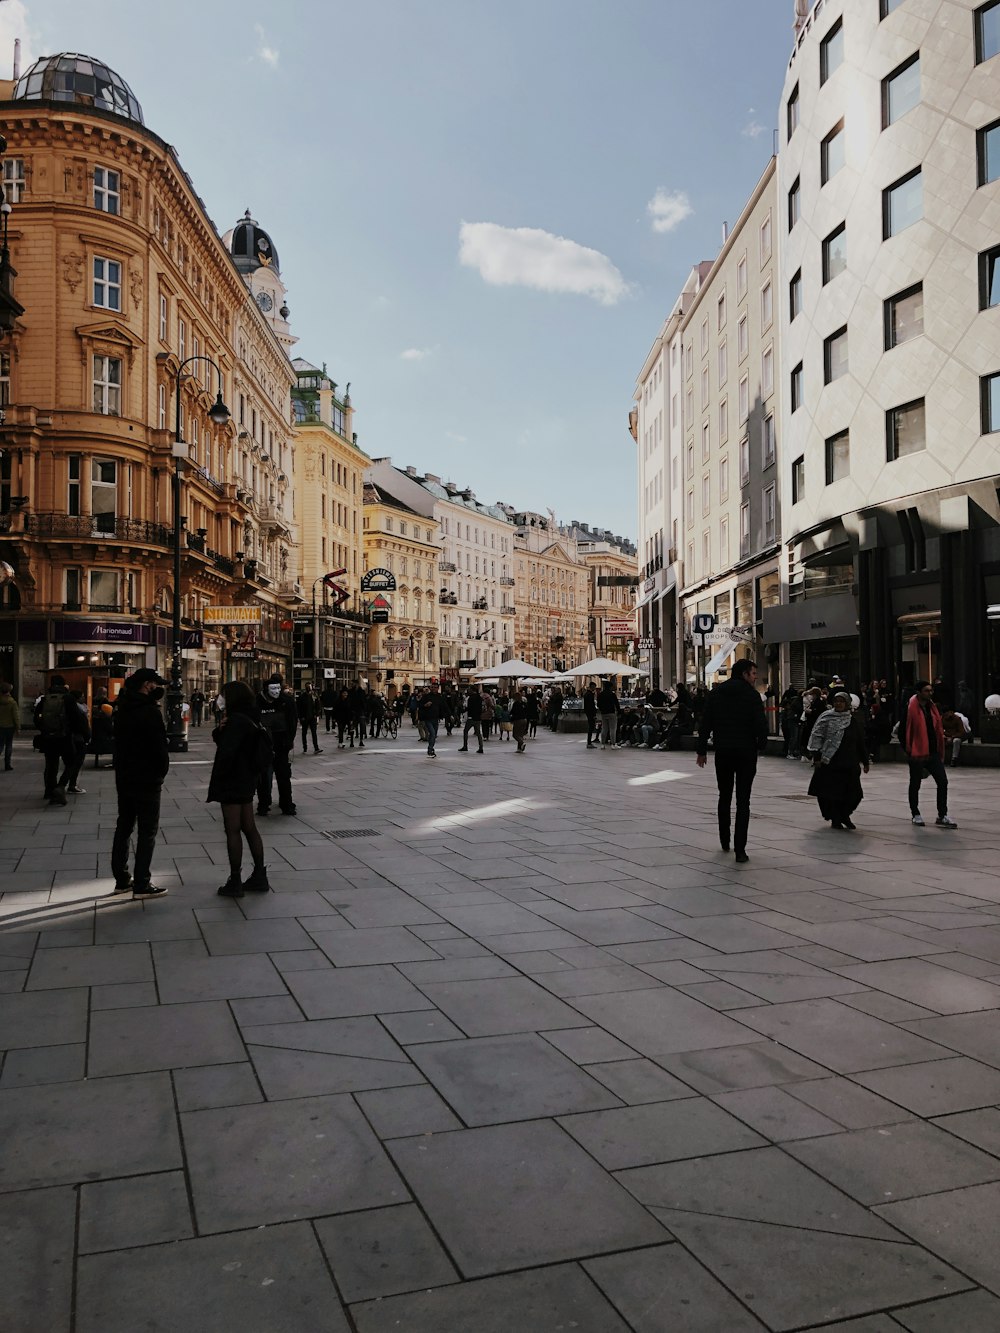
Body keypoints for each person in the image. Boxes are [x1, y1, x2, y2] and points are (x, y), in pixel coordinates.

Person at [696, 658, 767, 864]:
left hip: (724, 751)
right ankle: (740, 849)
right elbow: (760, 724)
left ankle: (724, 839)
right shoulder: (751, 695)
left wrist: (702, 750)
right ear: (744, 674)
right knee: (743, 799)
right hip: (746, 752)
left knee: (724, 795)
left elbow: (706, 722)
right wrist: (761, 744)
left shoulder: (716, 693)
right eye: (753, 674)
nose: (755, 678)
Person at [209, 680, 273, 898]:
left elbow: (227, 751)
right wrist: (220, 731)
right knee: (249, 827)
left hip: (233, 780)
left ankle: (235, 880)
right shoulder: (250, 716)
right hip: (247, 779)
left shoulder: (236, 720)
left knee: (232, 829)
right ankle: (259, 875)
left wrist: (219, 780)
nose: (221, 699)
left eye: (224, 695)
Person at [110, 668, 170, 897]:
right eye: (156, 684)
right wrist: (161, 772)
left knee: (124, 825)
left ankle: (122, 879)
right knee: (147, 831)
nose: (159, 688)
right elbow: (159, 747)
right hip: (147, 778)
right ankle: (142, 883)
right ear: (147, 685)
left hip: (125, 775)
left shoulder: (122, 707)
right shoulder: (149, 711)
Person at [806, 692, 870, 829]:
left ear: (847, 703)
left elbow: (859, 741)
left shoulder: (852, 720)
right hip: (831, 762)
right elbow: (817, 736)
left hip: (850, 763)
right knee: (833, 794)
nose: (839, 704)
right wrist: (816, 757)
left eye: (842, 701)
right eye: (836, 701)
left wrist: (865, 761)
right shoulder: (826, 717)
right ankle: (836, 818)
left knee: (854, 794)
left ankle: (845, 815)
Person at [904, 680, 957, 828]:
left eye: (931, 690)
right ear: (919, 692)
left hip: (932, 752)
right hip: (916, 753)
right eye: (927, 691)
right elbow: (904, 731)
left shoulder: (932, 708)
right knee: (915, 783)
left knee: (943, 782)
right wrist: (909, 750)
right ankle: (915, 813)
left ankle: (942, 815)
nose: (930, 693)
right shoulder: (910, 708)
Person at [34, 674, 90, 806]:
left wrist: (45, 730)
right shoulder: (68, 698)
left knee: (51, 766)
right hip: (65, 737)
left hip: (48, 738)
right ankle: (60, 787)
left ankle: (49, 791)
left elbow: (36, 719)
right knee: (71, 763)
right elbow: (78, 718)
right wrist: (85, 734)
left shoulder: (44, 699)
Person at [256, 674, 297, 816]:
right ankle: (264, 804)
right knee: (264, 777)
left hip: (281, 743)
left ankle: (286, 804)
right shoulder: (257, 702)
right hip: (264, 744)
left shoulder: (286, 701)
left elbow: (292, 722)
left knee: (283, 775)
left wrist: (289, 739)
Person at [64, 690, 91, 794]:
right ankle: (69, 785)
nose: (84, 698)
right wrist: (87, 736)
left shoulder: (68, 708)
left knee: (70, 763)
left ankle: (62, 785)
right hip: (78, 739)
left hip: (68, 738)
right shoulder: (78, 709)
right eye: (82, 696)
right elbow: (82, 725)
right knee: (76, 763)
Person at [91, 692, 115, 769]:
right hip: (103, 744)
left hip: (96, 742)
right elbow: (112, 731)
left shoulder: (97, 718)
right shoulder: (106, 720)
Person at [458, 684, 484, 753]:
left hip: (471, 717)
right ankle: (481, 747)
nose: (468, 690)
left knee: (465, 731)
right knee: (478, 733)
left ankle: (465, 746)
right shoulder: (479, 697)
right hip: (478, 717)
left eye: (469, 689)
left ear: (472, 690)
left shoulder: (471, 698)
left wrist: (463, 710)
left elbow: (470, 708)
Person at [417, 681, 441, 756]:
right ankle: (430, 749)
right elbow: (420, 705)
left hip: (436, 718)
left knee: (434, 735)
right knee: (432, 733)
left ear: (438, 688)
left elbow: (444, 706)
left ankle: (431, 747)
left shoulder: (439, 697)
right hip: (428, 718)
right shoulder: (426, 697)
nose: (433, 689)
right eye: (432, 687)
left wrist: (449, 715)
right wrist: (425, 705)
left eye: (435, 687)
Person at [297, 686, 322, 755]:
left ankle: (316, 748)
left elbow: (318, 705)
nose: (309, 689)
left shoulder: (314, 696)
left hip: (312, 717)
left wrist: (317, 714)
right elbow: (299, 708)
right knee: (304, 733)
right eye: (308, 687)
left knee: (314, 733)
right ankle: (305, 747)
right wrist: (301, 717)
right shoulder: (302, 697)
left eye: (310, 687)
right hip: (304, 718)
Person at [0, 681, 19, 771]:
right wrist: (18, 727)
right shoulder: (12, 702)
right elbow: (16, 716)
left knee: (0, 745)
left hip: (0, 726)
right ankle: (7, 765)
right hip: (9, 727)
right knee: (8, 745)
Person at [596, 681, 620, 749]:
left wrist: (602, 709)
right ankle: (613, 744)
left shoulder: (600, 694)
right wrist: (618, 711)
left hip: (603, 713)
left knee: (604, 729)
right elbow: (616, 704)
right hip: (611, 713)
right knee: (612, 729)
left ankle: (602, 744)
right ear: (610, 687)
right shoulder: (612, 694)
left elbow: (598, 704)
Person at [511, 688, 529, 753]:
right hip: (524, 720)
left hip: (518, 720)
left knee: (515, 734)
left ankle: (522, 742)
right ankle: (519, 748)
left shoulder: (516, 704)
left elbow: (513, 712)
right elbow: (527, 711)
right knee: (520, 734)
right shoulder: (524, 703)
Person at [583, 682, 598, 749]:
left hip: (588, 713)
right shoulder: (590, 695)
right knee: (591, 728)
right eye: (594, 687)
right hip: (590, 713)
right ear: (592, 687)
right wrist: (594, 714)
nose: (595, 688)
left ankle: (589, 742)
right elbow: (591, 705)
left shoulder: (586, 694)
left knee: (591, 728)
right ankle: (589, 743)